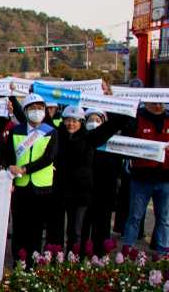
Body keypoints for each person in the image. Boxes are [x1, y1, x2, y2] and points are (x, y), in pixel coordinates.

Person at [53, 105, 125, 252]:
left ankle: (73, 259)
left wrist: (123, 106)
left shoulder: (90, 138)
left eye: (75, 120)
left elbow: (112, 126)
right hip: (59, 190)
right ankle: (55, 257)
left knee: (76, 231)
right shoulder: (56, 135)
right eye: (68, 120)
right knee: (56, 230)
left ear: (81, 122)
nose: (71, 124)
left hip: (80, 193)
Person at [4, 93, 58, 262]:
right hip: (20, 185)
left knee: (36, 227)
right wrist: (11, 167)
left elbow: (49, 158)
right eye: (33, 108)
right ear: (25, 111)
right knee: (20, 226)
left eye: (40, 108)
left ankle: (33, 261)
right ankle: (18, 261)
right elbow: (9, 155)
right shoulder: (16, 131)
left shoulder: (50, 132)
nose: (37, 111)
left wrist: (26, 169)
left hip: (42, 187)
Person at [120, 101, 169, 254]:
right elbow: (124, 142)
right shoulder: (136, 119)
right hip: (141, 179)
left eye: (162, 103)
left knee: (164, 219)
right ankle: (128, 250)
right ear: (146, 102)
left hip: (165, 179)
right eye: (155, 103)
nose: (158, 106)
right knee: (135, 216)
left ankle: (163, 251)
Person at [83, 111, 122, 254]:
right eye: (91, 119)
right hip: (86, 192)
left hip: (105, 191)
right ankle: (80, 254)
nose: (94, 123)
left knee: (102, 225)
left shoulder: (114, 142)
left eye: (97, 120)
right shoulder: (82, 139)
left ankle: (100, 253)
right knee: (84, 225)